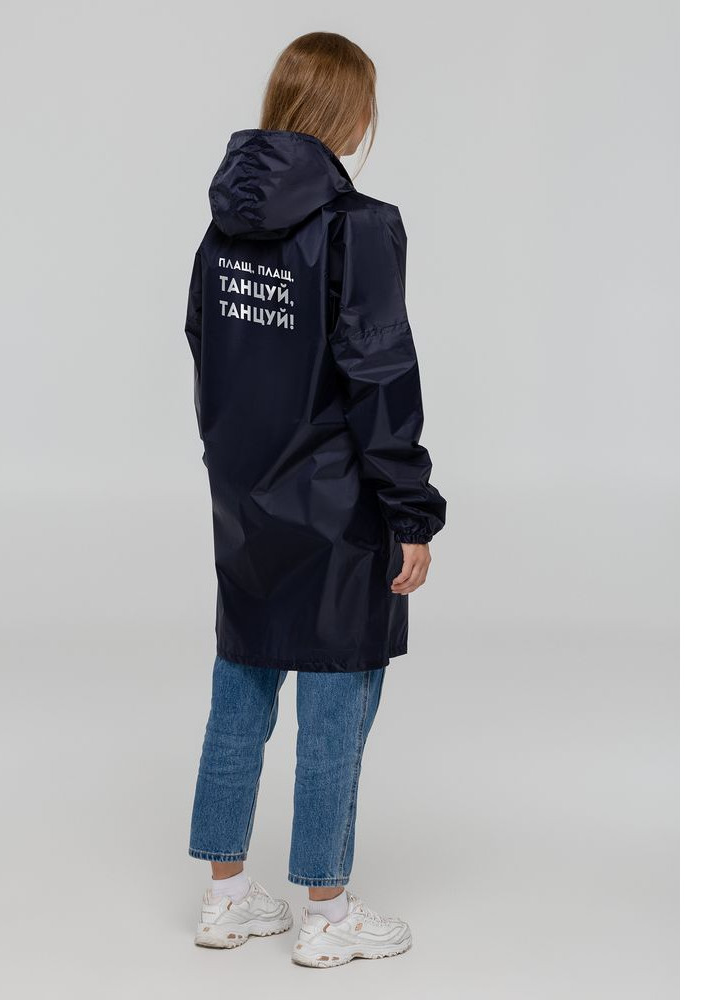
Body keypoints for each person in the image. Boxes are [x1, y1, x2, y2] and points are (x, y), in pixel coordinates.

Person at [183, 31, 446, 969]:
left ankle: (225, 900)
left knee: (241, 688)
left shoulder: (222, 228)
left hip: (245, 502)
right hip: (338, 508)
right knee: (336, 707)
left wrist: (237, 471)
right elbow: (379, 374)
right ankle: (327, 914)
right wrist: (410, 510)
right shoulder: (358, 227)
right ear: (353, 113)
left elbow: (204, 345)